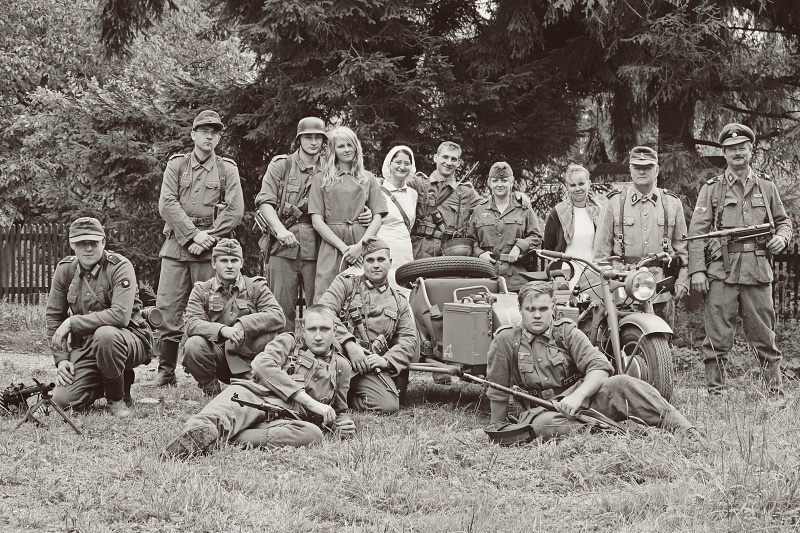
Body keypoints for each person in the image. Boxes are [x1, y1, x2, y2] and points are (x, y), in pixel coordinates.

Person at [486, 281, 696, 440]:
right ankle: (617, 434)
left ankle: (686, 429)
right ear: (520, 310)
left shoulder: (566, 332)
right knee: (545, 426)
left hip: (585, 400)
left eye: (543, 309)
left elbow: (599, 367)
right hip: (543, 411)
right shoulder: (506, 340)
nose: (537, 315)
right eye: (530, 309)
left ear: (553, 309)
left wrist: (577, 396)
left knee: (623, 383)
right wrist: (498, 429)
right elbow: (498, 392)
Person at [162, 305, 355, 457]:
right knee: (217, 416)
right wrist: (309, 402)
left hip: (287, 421)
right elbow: (261, 364)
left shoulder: (342, 367)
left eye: (324, 329)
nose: (318, 336)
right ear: (303, 330)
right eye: (312, 329)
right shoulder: (289, 342)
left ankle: (224, 439)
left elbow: (339, 409)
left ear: (335, 329)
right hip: (253, 397)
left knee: (313, 434)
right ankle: (187, 443)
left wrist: (341, 424)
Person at [687, 123, 792, 395]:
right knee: (717, 334)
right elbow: (697, 233)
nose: (737, 153)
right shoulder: (711, 189)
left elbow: (783, 222)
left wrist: (782, 238)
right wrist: (697, 270)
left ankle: (774, 392)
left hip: (757, 270)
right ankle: (716, 392)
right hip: (722, 270)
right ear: (724, 153)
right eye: (731, 149)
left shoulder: (766, 186)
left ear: (750, 150)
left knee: (764, 333)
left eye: (742, 147)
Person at [154, 110, 244, 386]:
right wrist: (193, 235)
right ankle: (165, 371)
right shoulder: (177, 165)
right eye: (204, 131)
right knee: (167, 308)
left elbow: (235, 210)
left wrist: (207, 237)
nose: (209, 136)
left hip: (210, 250)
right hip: (176, 246)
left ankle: (207, 370)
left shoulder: (227, 169)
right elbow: (166, 204)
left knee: (212, 308)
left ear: (219, 138)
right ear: (193, 134)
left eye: (214, 132)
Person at [47, 217, 153, 417]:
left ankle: (117, 399)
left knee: (105, 335)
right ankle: (108, 380)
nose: (88, 248)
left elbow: (120, 316)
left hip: (129, 339)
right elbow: (54, 316)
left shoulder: (119, 266)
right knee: (62, 401)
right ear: (72, 244)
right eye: (81, 243)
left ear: (103, 242)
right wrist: (61, 359)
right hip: (88, 346)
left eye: (93, 242)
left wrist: (72, 322)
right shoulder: (65, 270)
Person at [317, 237, 416, 414]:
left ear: (390, 262)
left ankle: (347, 396)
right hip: (338, 358)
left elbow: (408, 339)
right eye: (370, 260)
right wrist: (349, 344)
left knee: (388, 406)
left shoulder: (399, 301)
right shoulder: (345, 284)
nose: (375, 265)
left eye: (381, 260)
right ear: (363, 263)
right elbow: (323, 311)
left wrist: (386, 360)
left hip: (369, 367)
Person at [593, 146, 689, 323]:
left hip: (660, 287)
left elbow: (682, 249)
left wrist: (683, 280)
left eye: (647, 167)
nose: (642, 171)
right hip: (622, 286)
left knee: (661, 337)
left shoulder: (672, 203)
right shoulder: (615, 202)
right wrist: (605, 285)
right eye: (637, 167)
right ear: (630, 170)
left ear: (656, 170)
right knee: (623, 336)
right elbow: (601, 252)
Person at [182, 239, 286, 396]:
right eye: (224, 260)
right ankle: (211, 391)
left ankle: (255, 382)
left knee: (263, 391)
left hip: (249, 358)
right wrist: (222, 330)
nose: (229, 265)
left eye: (234, 260)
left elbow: (277, 316)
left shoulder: (256, 287)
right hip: (219, 358)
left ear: (241, 263)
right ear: (214, 263)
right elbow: (192, 323)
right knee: (193, 345)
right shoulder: (202, 290)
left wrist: (243, 325)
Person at [309, 125, 387, 302]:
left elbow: (378, 216)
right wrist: (344, 249)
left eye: (350, 145)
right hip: (332, 243)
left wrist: (361, 246)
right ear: (333, 150)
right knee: (326, 290)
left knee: (363, 292)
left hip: (361, 240)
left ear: (356, 147)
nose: (346, 150)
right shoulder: (321, 179)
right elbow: (317, 221)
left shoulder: (368, 178)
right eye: (341, 146)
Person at [468, 162, 542, 292]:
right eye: (495, 181)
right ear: (489, 183)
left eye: (504, 180)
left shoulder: (524, 208)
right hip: (486, 276)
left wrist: (519, 247)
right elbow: (470, 241)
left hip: (517, 278)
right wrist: (480, 254)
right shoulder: (479, 210)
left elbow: (536, 236)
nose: (499, 184)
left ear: (511, 182)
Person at [406, 141, 482, 259]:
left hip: (450, 253)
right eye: (445, 157)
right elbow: (392, 189)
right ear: (435, 158)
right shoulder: (417, 184)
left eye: (453, 159)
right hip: (420, 252)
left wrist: (518, 196)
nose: (449, 162)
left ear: (458, 163)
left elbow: (490, 209)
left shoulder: (466, 192)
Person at [542, 164, 604, 289]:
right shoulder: (558, 213)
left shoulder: (600, 211)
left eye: (581, 184)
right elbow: (549, 248)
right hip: (565, 273)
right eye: (573, 185)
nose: (577, 189)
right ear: (567, 187)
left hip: (593, 271)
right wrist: (556, 273)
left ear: (589, 184)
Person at [376, 145, 419, 294]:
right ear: (390, 164)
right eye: (398, 162)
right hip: (382, 249)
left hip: (404, 251)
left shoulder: (413, 194)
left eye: (406, 163)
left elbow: (409, 224)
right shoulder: (378, 191)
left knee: (404, 292)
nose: (402, 167)